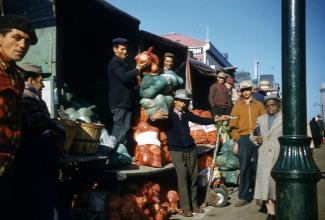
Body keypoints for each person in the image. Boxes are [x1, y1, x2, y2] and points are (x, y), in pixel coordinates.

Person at [150, 89, 228, 217]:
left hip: (191, 148)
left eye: (185, 102)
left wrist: (216, 119)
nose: (183, 104)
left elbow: (200, 119)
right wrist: (153, 117)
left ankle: (195, 204)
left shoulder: (187, 113)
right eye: (180, 101)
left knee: (193, 177)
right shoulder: (168, 114)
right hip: (176, 150)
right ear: (175, 101)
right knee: (182, 178)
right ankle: (186, 207)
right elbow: (152, 123)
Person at [13, 63, 65, 219]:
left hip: (39, 158)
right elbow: (41, 128)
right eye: (40, 80)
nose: (42, 85)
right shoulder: (27, 97)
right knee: (39, 202)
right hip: (34, 158)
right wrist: (58, 136)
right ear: (30, 79)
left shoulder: (35, 98)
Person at [0, 15, 37, 218]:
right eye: (16, 37)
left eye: (27, 41)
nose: (23, 45)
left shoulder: (16, 76)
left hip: (7, 163)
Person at [229, 80, 266, 207]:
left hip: (257, 137)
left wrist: (262, 136)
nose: (245, 92)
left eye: (247, 89)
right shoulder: (237, 106)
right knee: (244, 167)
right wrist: (237, 139)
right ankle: (243, 196)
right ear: (241, 92)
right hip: (243, 138)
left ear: (251, 90)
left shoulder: (259, 105)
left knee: (259, 167)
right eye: (243, 90)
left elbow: (265, 122)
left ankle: (260, 195)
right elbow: (232, 125)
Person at [107, 37, 148, 152]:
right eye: (122, 49)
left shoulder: (124, 62)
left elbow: (131, 78)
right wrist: (137, 68)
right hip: (120, 103)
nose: (125, 51)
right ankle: (114, 156)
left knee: (125, 131)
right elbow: (124, 77)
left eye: (126, 49)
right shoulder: (115, 63)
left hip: (126, 102)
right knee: (119, 131)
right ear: (115, 49)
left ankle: (122, 156)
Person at [250, 95, 282, 220]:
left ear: (278, 105)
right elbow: (252, 135)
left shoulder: (286, 118)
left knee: (277, 185)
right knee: (265, 185)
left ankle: (280, 210)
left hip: (279, 155)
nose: (270, 108)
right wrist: (255, 139)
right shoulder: (261, 119)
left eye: (273, 105)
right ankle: (271, 213)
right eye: (267, 106)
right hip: (264, 156)